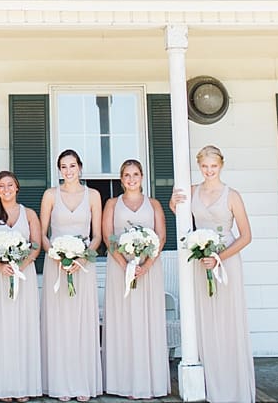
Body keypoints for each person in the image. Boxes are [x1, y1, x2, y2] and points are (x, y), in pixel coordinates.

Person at [170, 145, 255, 403]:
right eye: (205, 166)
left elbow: (246, 236)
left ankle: (234, 386)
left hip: (225, 261)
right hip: (200, 260)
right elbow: (183, 216)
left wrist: (219, 257)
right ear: (200, 166)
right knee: (205, 319)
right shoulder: (193, 190)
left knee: (227, 321)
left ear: (221, 166)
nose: (209, 171)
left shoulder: (232, 195)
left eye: (213, 166)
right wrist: (174, 204)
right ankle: (211, 385)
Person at [38, 149, 103, 402]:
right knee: (59, 324)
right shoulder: (50, 195)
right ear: (59, 170)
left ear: (80, 167)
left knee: (81, 324)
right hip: (57, 264)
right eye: (63, 167)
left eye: (72, 166)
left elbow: (97, 235)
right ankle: (60, 383)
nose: (68, 171)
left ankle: (81, 383)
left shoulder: (94, 196)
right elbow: (43, 233)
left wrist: (83, 256)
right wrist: (54, 254)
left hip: (83, 266)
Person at [101, 159, 169, 399]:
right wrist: (126, 265)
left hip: (148, 270)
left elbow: (161, 237)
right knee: (124, 321)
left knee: (146, 320)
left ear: (142, 177)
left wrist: (145, 265)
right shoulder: (111, 203)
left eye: (136, 174)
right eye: (127, 175)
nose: (131, 179)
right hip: (120, 269)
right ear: (121, 179)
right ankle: (124, 382)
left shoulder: (154, 204)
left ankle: (148, 381)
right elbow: (108, 237)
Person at [0, 170, 42, 403]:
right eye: (1, 186)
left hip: (23, 276)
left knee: (22, 328)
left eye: (10, 185)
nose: (6, 189)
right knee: (0, 329)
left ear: (17, 188)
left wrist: (19, 266)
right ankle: (2, 386)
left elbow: (35, 246)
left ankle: (22, 385)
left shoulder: (30, 214)